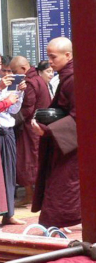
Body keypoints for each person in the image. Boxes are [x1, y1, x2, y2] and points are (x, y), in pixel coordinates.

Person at [30, 37, 81, 229]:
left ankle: (52, 229)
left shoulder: (73, 79)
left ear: (68, 55)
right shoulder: (68, 76)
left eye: (53, 57)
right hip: (65, 144)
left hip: (70, 146)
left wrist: (47, 131)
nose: (50, 62)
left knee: (61, 187)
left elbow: (79, 116)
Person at [12, 57, 51, 209]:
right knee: (36, 160)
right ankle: (35, 195)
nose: (15, 75)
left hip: (30, 128)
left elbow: (27, 109)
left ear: (23, 68)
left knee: (26, 161)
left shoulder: (29, 83)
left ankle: (29, 195)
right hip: (40, 125)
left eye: (15, 72)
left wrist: (11, 117)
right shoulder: (39, 79)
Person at [0, 57, 24, 225]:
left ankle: (9, 213)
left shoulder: (7, 86)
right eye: (4, 70)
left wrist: (19, 94)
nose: (7, 74)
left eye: (10, 71)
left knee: (9, 172)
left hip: (7, 130)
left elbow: (13, 109)